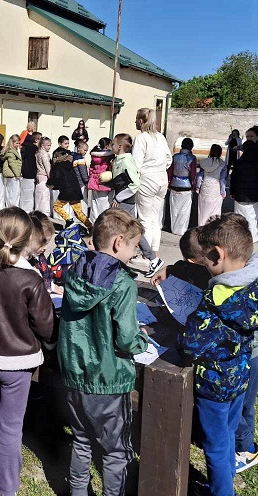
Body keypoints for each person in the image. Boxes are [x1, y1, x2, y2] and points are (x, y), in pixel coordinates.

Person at [179, 213, 258, 496]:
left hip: (215, 385)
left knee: (215, 447)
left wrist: (183, 332)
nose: (205, 265)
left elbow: (191, 344)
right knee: (228, 435)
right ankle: (225, 480)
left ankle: (221, 491)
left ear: (218, 254)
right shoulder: (255, 280)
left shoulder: (218, 297)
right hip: (241, 375)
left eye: (206, 258)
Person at [58, 208, 148, 496]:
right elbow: (126, 339)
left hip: (74, 372)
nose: (135, 253)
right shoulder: (123, 282)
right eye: (135, 246)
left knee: (82, 439)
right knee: (116, 450)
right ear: (119, 242)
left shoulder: (76, 269)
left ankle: (77, 492)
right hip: (108, 380)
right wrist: (142, 341)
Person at [0, 208, 55, 496]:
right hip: (17, 363)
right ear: (28, 239)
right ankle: (6, 486)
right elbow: (45, 325)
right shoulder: (31, 279)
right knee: (10, 426)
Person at [106, 134, 165, 278]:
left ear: (119, 146)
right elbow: (122, 180)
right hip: (121, 201)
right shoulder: (120, 159)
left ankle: (152, 259)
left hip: (125, 202)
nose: (111, 146)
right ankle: (125, 260)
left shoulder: (126, 161)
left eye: (113, 144)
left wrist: (119, 197)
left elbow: (134, 183)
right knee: (128, 230)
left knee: (129, 230)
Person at [132, 108, 172, 253]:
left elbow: (136, 164)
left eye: (136, 120)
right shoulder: (161, 137)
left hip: (147, 179)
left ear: (140, 121)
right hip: (161, 178)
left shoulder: (141, 138)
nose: (135, 122)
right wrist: (159, 168)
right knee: (155, 217)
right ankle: (154, 250)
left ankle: (146, 254)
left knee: (145, 218)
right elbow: (169, 159)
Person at [230, 126, 258, 243]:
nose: (249, 138)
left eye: (251, 136)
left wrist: (233, 191)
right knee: (253, 215)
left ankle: (243, 235)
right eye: (247, 136)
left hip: (250, 191)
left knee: (245, 215)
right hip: (255, 191)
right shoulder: (250, 153)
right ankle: (253, 235)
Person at [49, 136, 91, 230]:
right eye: (66, 143)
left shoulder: (58, 159)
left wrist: (53, 183)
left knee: (57, 206)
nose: (67, 145)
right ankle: (90, 227)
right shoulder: (73, 156)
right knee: (78, 212)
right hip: (75, 187)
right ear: (60, 144)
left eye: (68, 143)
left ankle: (69, 220)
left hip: (66, 188)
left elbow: (56, 173)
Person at [150, 226, 211, 291]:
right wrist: (168, 270)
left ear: (191, 260)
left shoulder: (189, 272)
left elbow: (184, 268)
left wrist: (169, 270)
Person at [169, 137, 197, 235]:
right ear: (191, 147)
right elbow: (193, 175)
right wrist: (194, 187)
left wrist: (169, 183)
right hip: (186, 186)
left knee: (174, 209)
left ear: (181, 146)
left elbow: (170, 171)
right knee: (184, 210)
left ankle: (173, 228)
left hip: (174, 184)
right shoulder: (192, 158)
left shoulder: (175, 157)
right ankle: (181, 230)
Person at [198, 144, 227, 226]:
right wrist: (223, 192)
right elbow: (222, 179)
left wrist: (197, 187)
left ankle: (201, 228)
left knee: (203, 211)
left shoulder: (204, 162)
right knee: (215, 212)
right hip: (215, 190)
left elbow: (200, 176)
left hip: (204, 188)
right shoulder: (222, 164)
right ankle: (213, 230)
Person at [27, 210, 55, 292]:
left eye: (47, 243)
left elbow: (46, 274)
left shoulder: (39, 255)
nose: (45, 248)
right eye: (42, 243)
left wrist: (51, 285)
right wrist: (50, 287)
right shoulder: (26, 261)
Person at [87, 137, 114, 223]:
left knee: (94, 203)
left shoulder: (94, 156)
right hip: (105, 182)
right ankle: (103, 222)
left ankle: (93, 221)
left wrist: (91, 178)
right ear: (107, 146)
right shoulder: (110, 156)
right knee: (105, 203)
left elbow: (91, 169)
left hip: (94, 181)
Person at [20, 131, 40, 213]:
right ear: (36, 140)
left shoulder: (25, 147)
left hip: (25, 171)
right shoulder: (34, 149)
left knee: (24, 192)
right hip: (31, 172)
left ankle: (23, 208)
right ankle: (28, 209)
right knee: (30, 192)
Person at [3, 134, 23, 208]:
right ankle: (13, 207)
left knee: (10, 191)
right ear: (12, 142)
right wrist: (18, 174)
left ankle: (10, 206)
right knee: (14, 192)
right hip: (13, 174)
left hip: (10, 174)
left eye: (19, 143)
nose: (18, 145)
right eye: (17, 143)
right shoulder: (12, 152)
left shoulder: (10, 150)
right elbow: (13, 164)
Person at [34, 136, 52, 215]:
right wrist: (51, 177)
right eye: (48, 145)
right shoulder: (44, 154)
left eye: (50, 145)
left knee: (39, 197)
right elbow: (47, 167)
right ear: (42, 145)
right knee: (44, 197)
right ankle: (43, 213)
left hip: (38, 175)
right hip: (44, 176)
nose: (49, 147)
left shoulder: (37, 153)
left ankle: (38, 212)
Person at [73, 139, 90, 215]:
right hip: (81, 183)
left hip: (75, 182)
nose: (85, 152)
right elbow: (83, 173)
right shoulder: (80, 159)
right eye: (85, 150)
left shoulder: (74, 157)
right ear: (79, 148)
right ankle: (83, 214)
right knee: (83, 200)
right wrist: (86, 181)